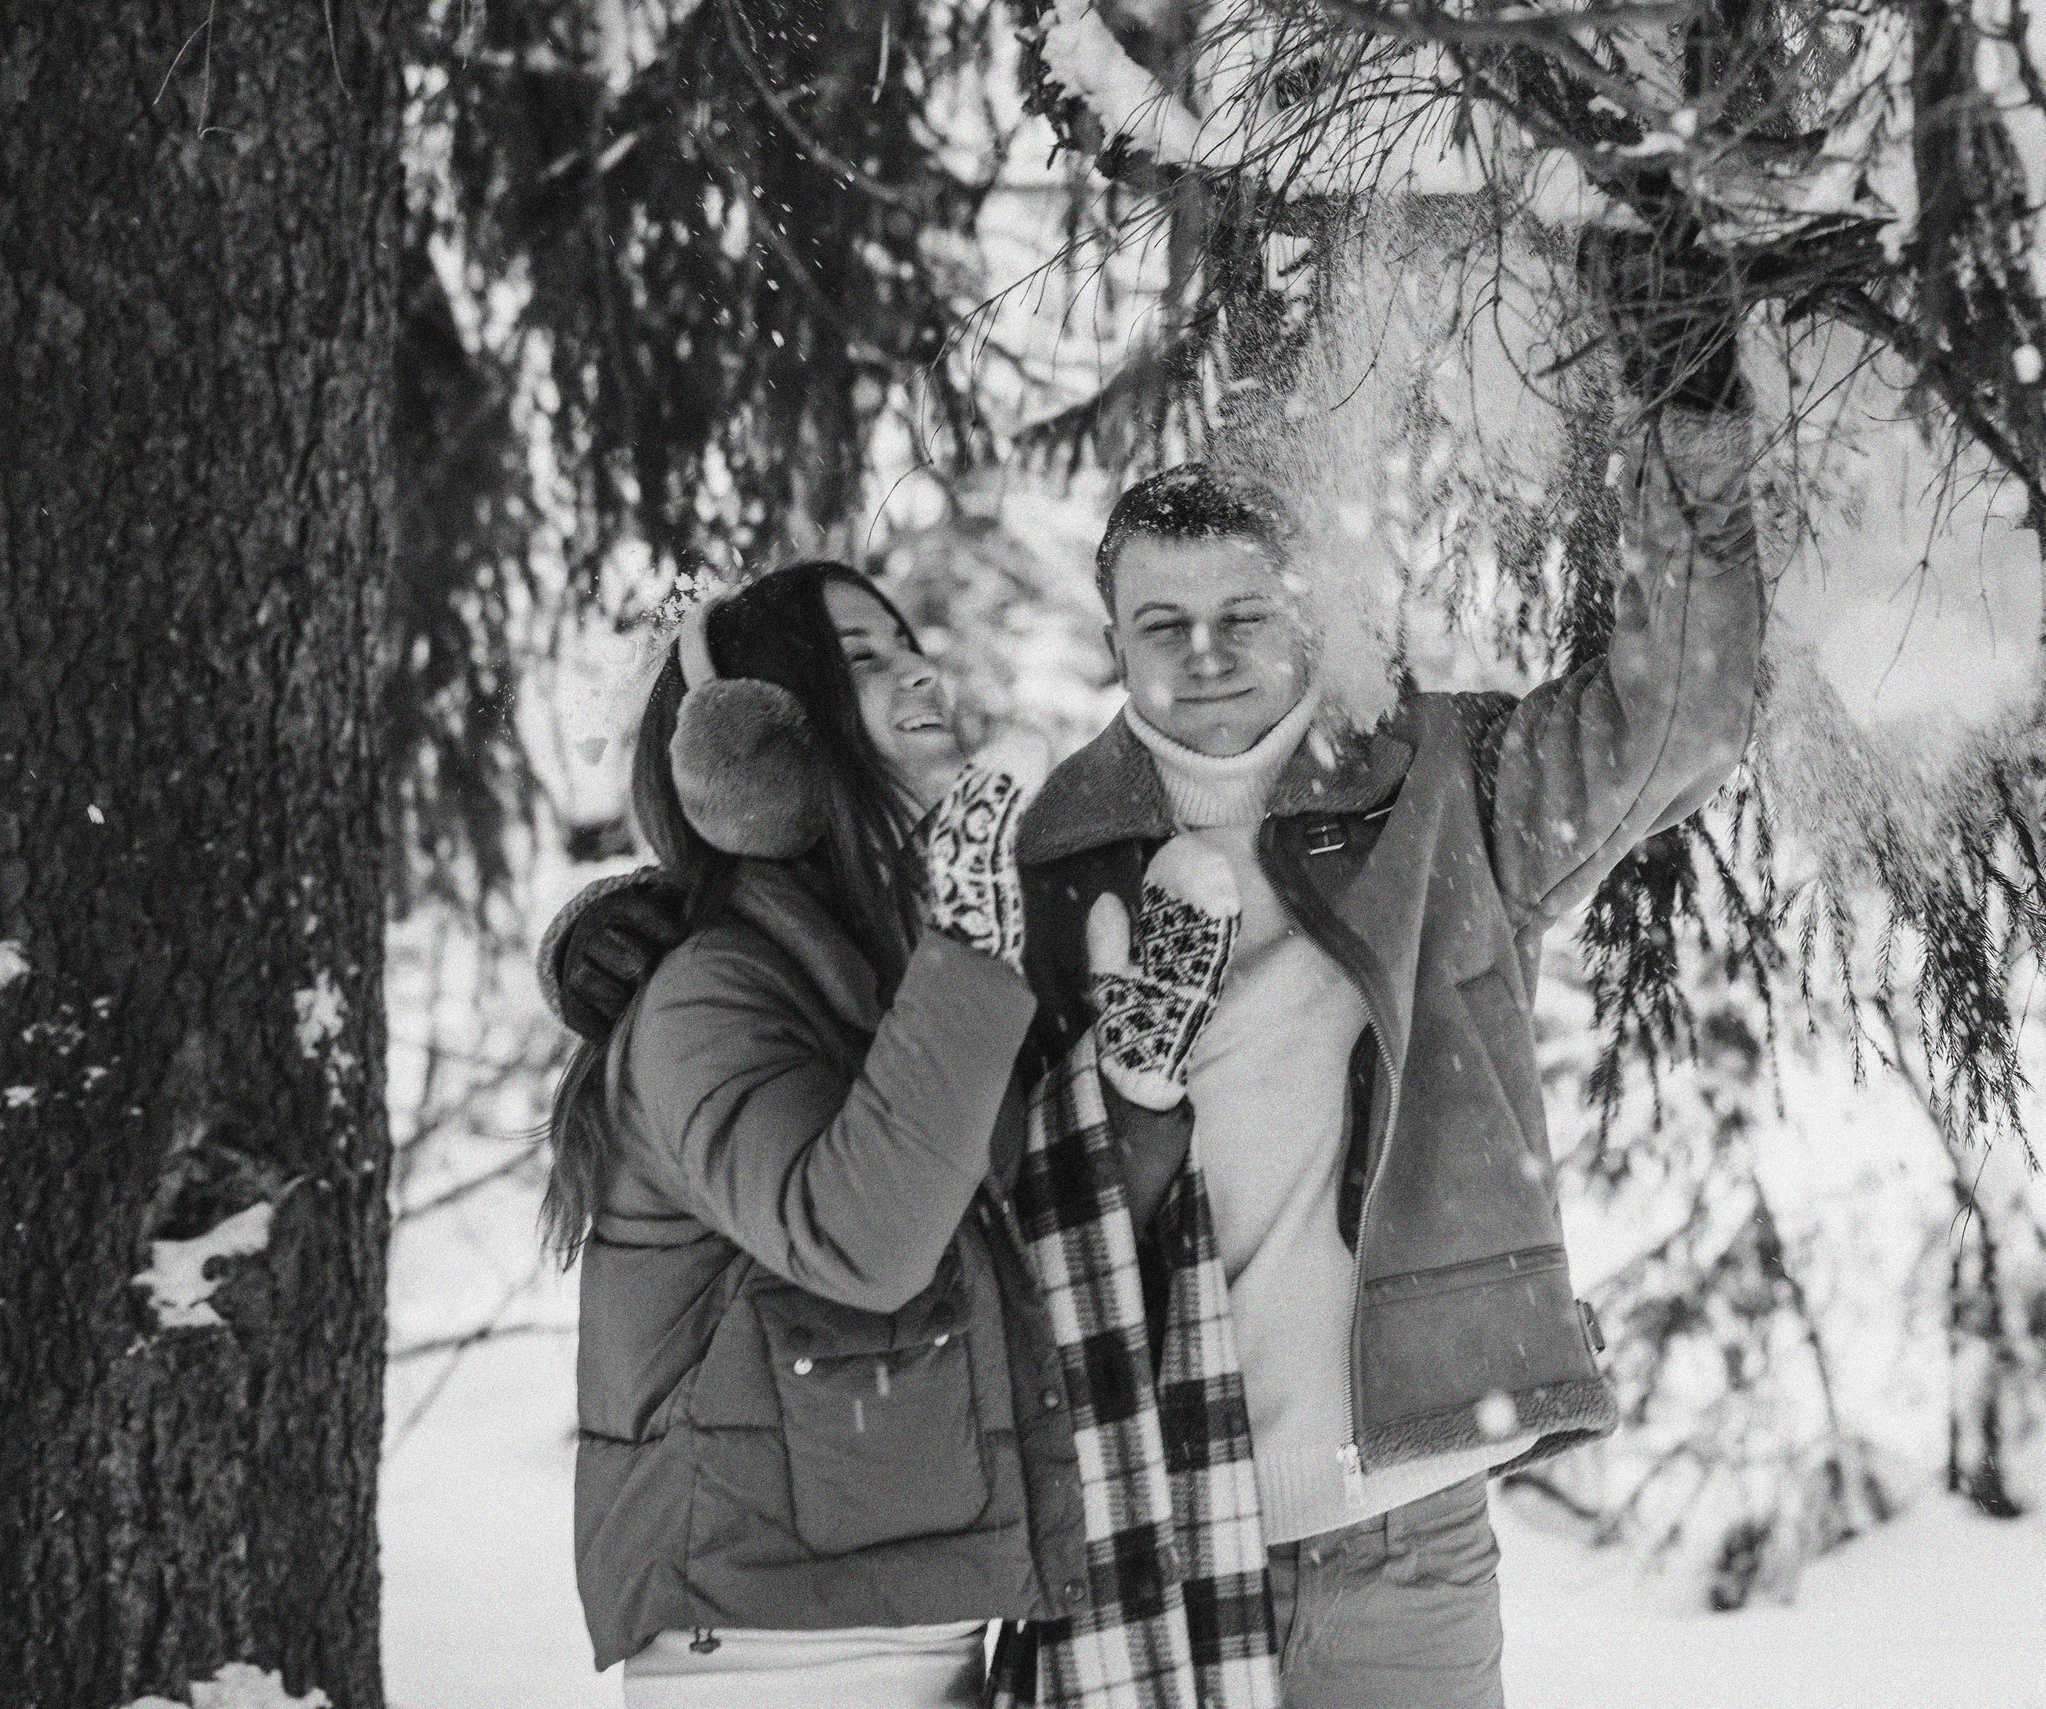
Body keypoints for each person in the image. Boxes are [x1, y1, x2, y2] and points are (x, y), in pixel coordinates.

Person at [1007, 395, 1760, 1708]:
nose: (1203, 655)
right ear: (1113, 639)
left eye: (1240, 615)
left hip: (1405, 1525)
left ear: (1305, 609)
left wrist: (1691, 438)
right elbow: (1021, 1218)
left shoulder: (1436, 786)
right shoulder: (1050, 868)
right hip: (1162, 1533)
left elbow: (1679, 717)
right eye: (1161, 625)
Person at [540, 560, 1236, 1707]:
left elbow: (1007, 1256)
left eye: (907, 639)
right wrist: (967, 942)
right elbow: (867, 1242)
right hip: (773, 1645)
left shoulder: (893, 971)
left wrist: (1136, 1096)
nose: (917, 667)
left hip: (908, 1616)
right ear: (759, 741)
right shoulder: (710, 992)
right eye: (861, 656)